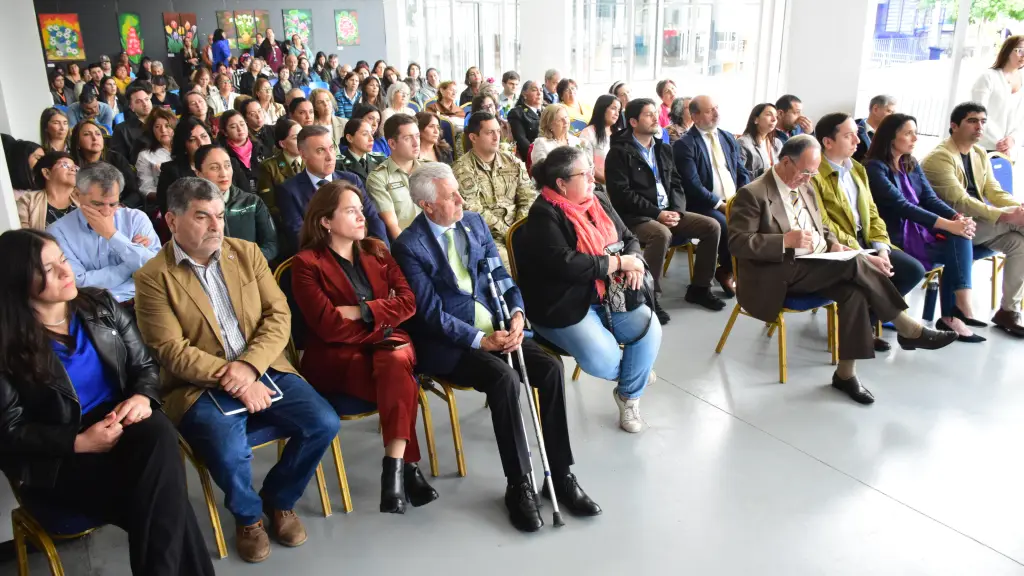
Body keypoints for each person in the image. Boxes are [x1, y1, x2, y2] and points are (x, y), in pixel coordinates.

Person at [133, 177, 338, 563]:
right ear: (172, 221)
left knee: (323, 422)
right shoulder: (152, 278)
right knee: (228, 448)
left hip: (263, 366)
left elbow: (278, 316)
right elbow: (171, 351)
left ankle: (279, 500)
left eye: (220, 215)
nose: (216, 226)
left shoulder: (246, 253)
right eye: (202, 216)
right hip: (198, 386)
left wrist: (249, 367)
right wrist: (238, 381)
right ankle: (247, 518)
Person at [392, 161, 601, 532]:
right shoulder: (410, 246)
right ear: (427, 206)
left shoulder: (472, 223)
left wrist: (518, 313)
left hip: (498, 327)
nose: (461, 199)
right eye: (451, 196)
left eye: (459, 191)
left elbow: (501, 277)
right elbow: (428, 313)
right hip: (452, 344)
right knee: (504, 379)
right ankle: (518, 484)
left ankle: (560, 475)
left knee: (551, 369)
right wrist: (479, 340)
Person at [0, 228, 215, 576]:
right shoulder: (7, 344)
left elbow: (144, 366)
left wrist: (143, 396)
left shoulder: (99, 305)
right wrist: (79, 442)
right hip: (63, 458)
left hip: (123, 429)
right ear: (18, 279)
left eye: (63, 260)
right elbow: (9, 433)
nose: (65, 272)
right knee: (164, 502)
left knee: (156, 432)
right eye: (47, 269)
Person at [730, 135, 957, 404]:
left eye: (813, 172)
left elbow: (821, 229)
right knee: (856, 264)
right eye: (805, 171)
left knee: (854, 292)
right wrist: (783, 241)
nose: (809, 178)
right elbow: (737, 243)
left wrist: (836, 246)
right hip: (776, 273)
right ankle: (908, 327)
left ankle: (846, 374)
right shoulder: (753, 194)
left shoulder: (805, 186)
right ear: (786, 162)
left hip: (815, 263)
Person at [290, 181, 438, 513]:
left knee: (393, 361)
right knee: (400, 371)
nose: (362, 217)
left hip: (383, 349)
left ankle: (394, 469)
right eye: (350, 210)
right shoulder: (306, 264)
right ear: (326, 221)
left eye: (361, 209)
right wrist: (384, 324)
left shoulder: (377, 250)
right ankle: (404, 471)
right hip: (338, 361)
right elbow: (328, 327)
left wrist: (364, 312)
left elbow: (409, 303)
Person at [519, 146, 661, 432]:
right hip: (562, 304)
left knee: (650, 328)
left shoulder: (598, 200)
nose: (593, 178)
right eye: (584, 174)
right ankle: (635, 376)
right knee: (603, 360)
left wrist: (634, 264)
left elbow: (629, 238)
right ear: (561, 183)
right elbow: (567, 265)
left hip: (607, 295)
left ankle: (628, 396)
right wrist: (620, 262)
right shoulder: (543, 214)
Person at [865, 113, 987, 342]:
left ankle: (958, 309)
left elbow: (929, 199)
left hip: (918, 232)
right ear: (891, 137)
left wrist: (957, 217)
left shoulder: (910, 162)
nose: (915, 138)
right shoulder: (874, 168)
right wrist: (949, 224)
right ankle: (955, 312)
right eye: (908, 133)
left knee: (960, 237)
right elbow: (902, 206)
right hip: (893, 236)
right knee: (954, 236)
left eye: (915, 132)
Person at [810, 113, 927, 350]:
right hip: (840, 248)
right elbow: (823, 224)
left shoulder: (858, 171)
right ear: (828, 142)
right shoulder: (814, 175)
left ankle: (864, 325)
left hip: (867, 241)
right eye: (848, 135)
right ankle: (874, 331)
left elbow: (873, 215)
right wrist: (862, 252)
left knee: (913, 270)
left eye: (856, 134)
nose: (857, 141)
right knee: (870, 275)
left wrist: (881, 249)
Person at [606, 98, 726, 322]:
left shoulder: (663, 148)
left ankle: (699, 288)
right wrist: (657, 214)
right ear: (633, 121)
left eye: (655, 113)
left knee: (712, 226)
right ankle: (649, 296)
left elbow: (677, 184)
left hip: (669, 212)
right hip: (637, 216)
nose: (655, 118)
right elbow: (623, 195)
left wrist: (678, 212)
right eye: (648, 115)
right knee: (661, 234)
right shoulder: (619, 153)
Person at [922, 102, 1024, 337]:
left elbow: (993, 190)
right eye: (972, 121)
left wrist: (1015, 207)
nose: (980, 127)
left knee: (1018, 243)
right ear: (954, 126)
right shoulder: (940, 158)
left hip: (977, 226)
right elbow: (961, 202)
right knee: (1013, 223)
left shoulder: (978, 153)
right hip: (948, 228)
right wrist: (1008, 215)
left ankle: (1009, 311)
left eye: (983, 121)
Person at [47, 163, 160, 302]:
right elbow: (78, 282)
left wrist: (112, 235)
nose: (106, 212)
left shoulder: (135, 219)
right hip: (93, 308)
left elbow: (156, 270)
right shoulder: (58, 232)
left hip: (144, 301)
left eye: (113, 204)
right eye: (97, 204)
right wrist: (131, 263)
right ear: (77, 195)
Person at [674, 95, 750, 298]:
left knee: (759, 220)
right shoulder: (685, 144)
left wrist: (746, 196)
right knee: (727, 224)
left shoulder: (726, 137)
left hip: (733, 200)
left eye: (717, 108)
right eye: (709, 110)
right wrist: (721, 205)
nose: (716, 113)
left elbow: (740, 171)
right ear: (695, 116)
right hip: (702, 205)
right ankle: (726, 270)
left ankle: (733, 270)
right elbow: (693, 186)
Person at [276, 125, 387, 255]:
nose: (330, 157)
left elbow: (373, 220)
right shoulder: (289, 191)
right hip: (322, 260)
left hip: (362, 253)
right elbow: (300, 236)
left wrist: (381, 254)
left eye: (331, 148)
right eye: (320, 150)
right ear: (303, 154)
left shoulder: (352, 180)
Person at [451, 112, 536, 269]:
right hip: (487, 236)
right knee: (507, 266)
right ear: (473, 137)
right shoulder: (462, 169)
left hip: (520, 229)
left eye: (498, 131)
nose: (497, 137)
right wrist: (509, 233)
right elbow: (474, 210)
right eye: (490, 133)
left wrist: (519, 230)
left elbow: (529, 198)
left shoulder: (512, 162)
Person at [193, 144, 277, 262]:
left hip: (250, 270)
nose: (224, 173)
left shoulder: (252, 202)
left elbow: (271, 244)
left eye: (227, 166)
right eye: (214, 168)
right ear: (199, 173)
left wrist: (249, 263)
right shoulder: (192, 208)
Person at [157, 118, 251, 214]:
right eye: (192, 140)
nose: (201, 143)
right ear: (183, 145)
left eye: (204, 136)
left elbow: (247, 197)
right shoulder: (171, 171)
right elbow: (169, 209)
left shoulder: (230, 163)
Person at [367, 115, 423, 239]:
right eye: (408, 138)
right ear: (392, 143)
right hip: (407, 244)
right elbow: (392, 226)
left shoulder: (429, 169)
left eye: (417, 136)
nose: (416, 143)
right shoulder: (379, 178)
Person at [69, 119, 141, 209]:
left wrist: (120, 207)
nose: (95, 138)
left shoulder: (116, 159)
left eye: (98, 134)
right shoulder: (72, 165)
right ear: (77, 143)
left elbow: (134, 192)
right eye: (87, 134)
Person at [971, 35, 1024, 155]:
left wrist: (1012, 140)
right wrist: (1000, 142)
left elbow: (1022, 120)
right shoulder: (988, 77)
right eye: (1020, 51)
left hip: (1010, 150)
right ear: (1007, 51)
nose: (1023, 56)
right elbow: (978, 113)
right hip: (984, 148)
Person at [18, 152, 79, 230]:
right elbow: (24, 236)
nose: (73, 169)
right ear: (47, 173)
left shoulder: (84, 200)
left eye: (76, 168)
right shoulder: (28, 200)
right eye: (65, 165)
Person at [257, 119, 304, 216]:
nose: (302, 141)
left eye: (303, 136)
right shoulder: (269, 167)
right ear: (282, 144)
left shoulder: (311, 160)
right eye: (295, 138)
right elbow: (269, 206)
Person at [219, 109, 268, 192]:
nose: (240, 129)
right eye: (233, 127)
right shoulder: (222, 154)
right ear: (225, 132)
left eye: (242, 124)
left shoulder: (260, 147)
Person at [136, 108, 177, 204]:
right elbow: (145, 188)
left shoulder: (185, 149)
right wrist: (166, 197)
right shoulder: (145, 156)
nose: (163, 130)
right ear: (152, 130)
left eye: (167, 126)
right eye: (157, 127)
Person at [578, 95, 621, 185]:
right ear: (602, 109)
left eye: (619, 110)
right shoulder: (588, 133)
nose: (617, 113)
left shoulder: (620, 133)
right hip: (598, 187)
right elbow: (586, 164)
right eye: (613, 108)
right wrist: (610, 183)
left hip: (620, 185)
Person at [738, 103, 784, 178]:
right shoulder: (743, 143)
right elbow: (740, 175)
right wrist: (764, 172)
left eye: (776, 116)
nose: (774, 119)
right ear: (756, 120)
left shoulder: (777, 143)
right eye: (769, 114)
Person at [112, 82, 152, 164]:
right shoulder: (122, 130)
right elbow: (120, 162)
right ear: (131, 107)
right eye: (138, 101)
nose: (145, 104)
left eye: (146, 99)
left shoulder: (161, 123)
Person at [338, 116, 387, 182]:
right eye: (365, 134)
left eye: (371, 134)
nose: (371, 139)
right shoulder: (339, 164)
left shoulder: (380, 159)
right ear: (350, 138)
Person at [507, 80, 543, 163]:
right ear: (524, 94)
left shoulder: (547, 110)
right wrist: (540, 157)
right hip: (533, 159)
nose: (539, 93)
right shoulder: (517, 113)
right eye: (534, 90)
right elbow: (522, 142)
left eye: (541, 90)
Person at [854, 95, 896, 162]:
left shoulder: (892, 134)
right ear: (875, 109)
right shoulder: (854, 130)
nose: (893, 116)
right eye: (889, 111)